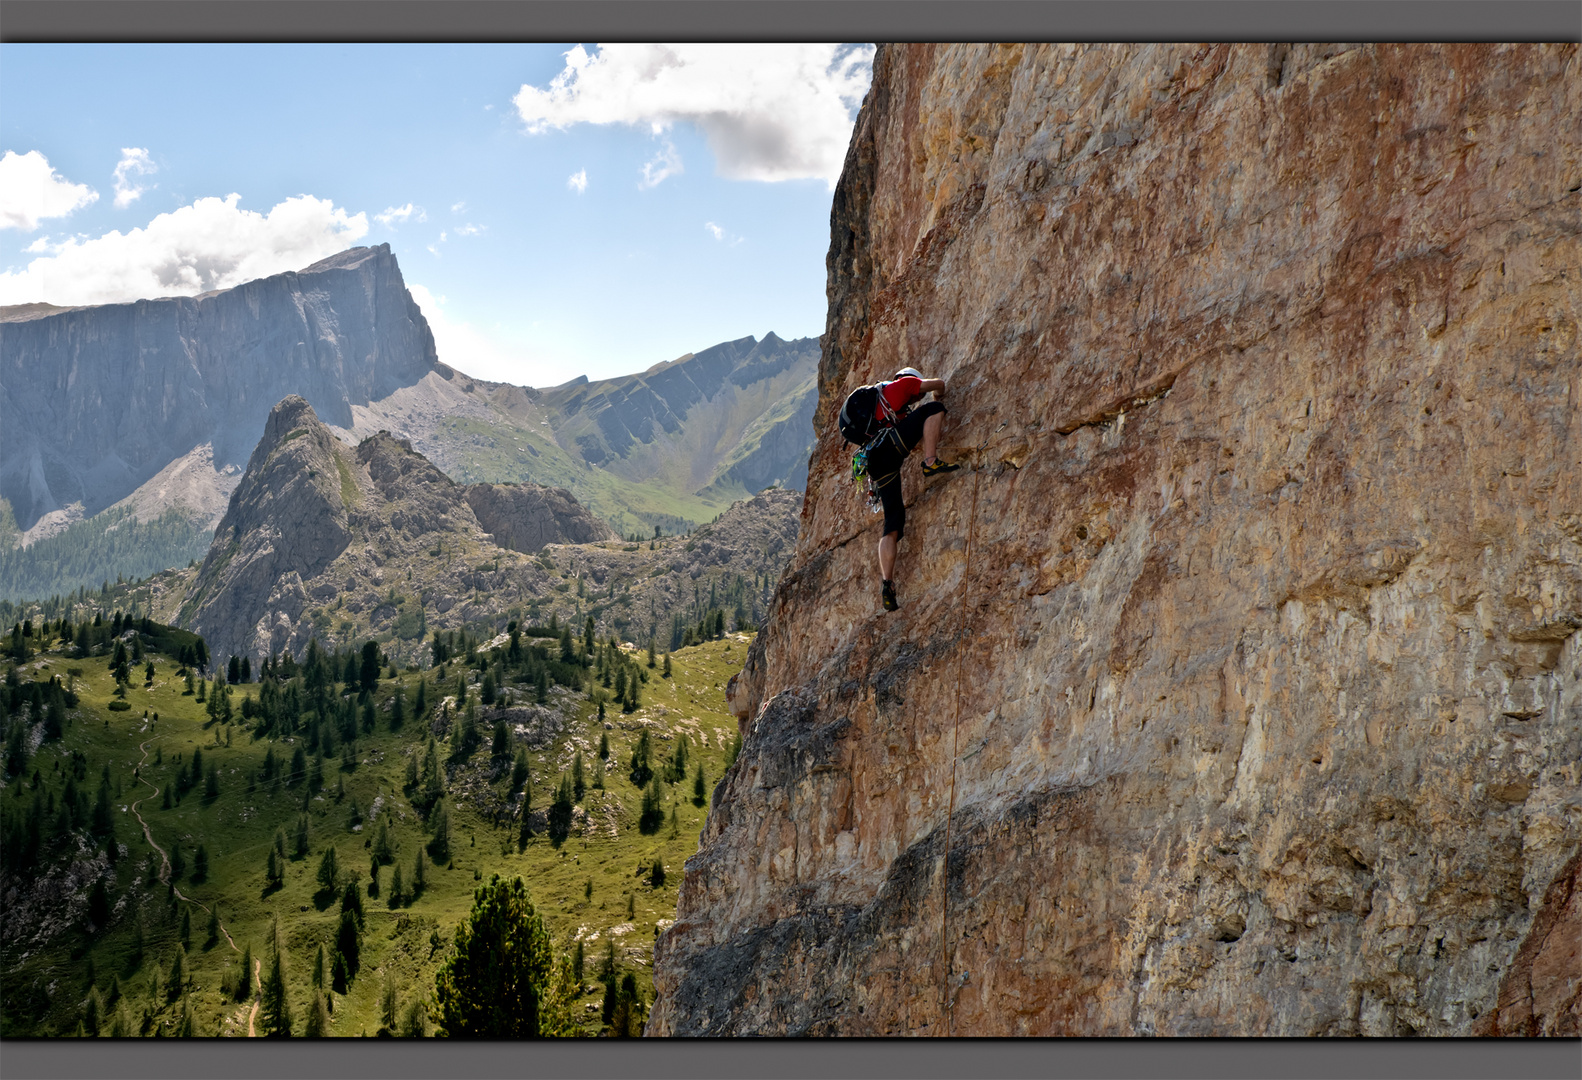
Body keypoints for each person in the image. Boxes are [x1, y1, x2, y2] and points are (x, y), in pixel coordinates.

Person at [864, 366, 959, 611]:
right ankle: (930, 462)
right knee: (934, 409)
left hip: (876, 463)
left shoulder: (884, 407)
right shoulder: (903, 385)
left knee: (893, 523)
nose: (916, 399)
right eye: (916, 394)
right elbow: (939, 383)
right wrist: (936, 396)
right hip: (890, 449)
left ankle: (887, 583)